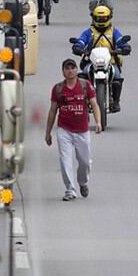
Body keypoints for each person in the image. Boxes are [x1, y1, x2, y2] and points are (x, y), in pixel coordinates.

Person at [45, 58, 102, 201]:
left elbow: (94, 104)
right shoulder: (58, 89)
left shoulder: (85, 86)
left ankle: (83, 182)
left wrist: (98, 122)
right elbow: (52, 111)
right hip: (64, 130)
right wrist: (48, 132)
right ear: (63, 72)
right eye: (67, 68)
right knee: (65, 161)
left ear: (77, 70)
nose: (70, 71)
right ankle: (70, 190)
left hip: (82, 130)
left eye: (72, 68)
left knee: (85, 162)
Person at [71, 5, 131, 112]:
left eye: (104, 18)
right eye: (98, 18)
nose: (101, 21)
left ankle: (116, 101)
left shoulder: (114, 32)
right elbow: (81, 41)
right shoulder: (89, 32)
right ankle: (84, 100)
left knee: (117, 76)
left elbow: (121, 41)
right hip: (91, 62)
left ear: (109, 18)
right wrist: (78, 47)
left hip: (110, 62)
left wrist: (125, 47)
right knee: (83, 75)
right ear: (93, 18)